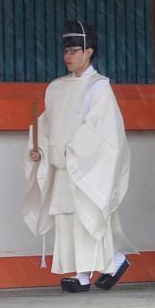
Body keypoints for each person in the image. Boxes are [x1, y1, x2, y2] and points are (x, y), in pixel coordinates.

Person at [23, 21, 132, 293]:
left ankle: (87, 273)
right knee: (66, 217)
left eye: (74, 51)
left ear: (89, 52)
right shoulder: (56, 87)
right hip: (61, 164)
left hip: (83, 163)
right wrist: (41, 149)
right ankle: (108, 262)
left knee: (87, 215)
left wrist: (75, 151)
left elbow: (103, 131)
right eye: (66, 51)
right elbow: (46, 125)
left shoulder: (99, 87)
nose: (68, 56)